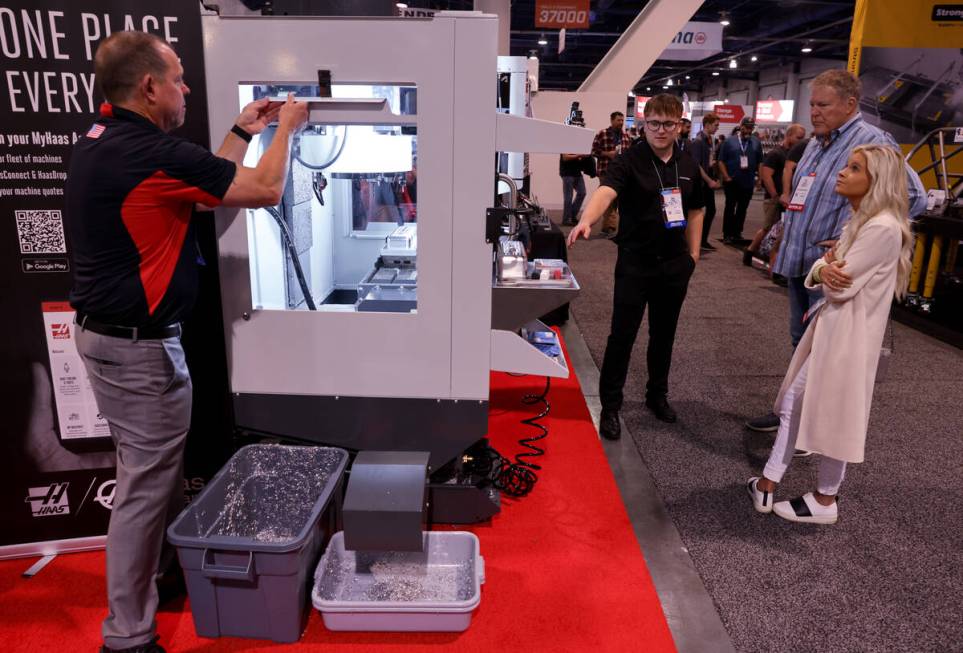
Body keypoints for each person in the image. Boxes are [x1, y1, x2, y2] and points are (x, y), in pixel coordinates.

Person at [65, 31, 308, 653]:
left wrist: (244, 129)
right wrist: (289, 130)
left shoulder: (105, 143)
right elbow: (263, 190)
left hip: (109, 340)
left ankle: (168, 574)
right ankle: (127, 635)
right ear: (148, 86)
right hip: (138, 349)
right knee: (144, 488)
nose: (185, 88)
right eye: (177, 78)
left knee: (155, 471)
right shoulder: (147, 152)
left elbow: (205, 182)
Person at [745, 69, 925, 433]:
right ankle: (794, 416)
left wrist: (855, 233)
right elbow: (802, 198)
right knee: (802, 344)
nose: (814, 112)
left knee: (826, 353)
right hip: (802, 264)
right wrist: (784, 240)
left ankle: (808, 425)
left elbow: (914, 197)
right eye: (812, 104)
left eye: (823, 105)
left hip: (838, 272)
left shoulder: (872, 142)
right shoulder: (815, 143)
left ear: (850, 104)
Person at [747, 145, 914, 524]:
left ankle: (813, 496)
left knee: (819, 408)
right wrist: (825, 268)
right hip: (839, 329)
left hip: (847, 334)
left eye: (855, 168)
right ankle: (785, 487)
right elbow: (823, 273)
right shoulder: (865, 221)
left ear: (876, 181)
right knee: (816, 407)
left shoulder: (881, 228)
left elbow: (839, 285)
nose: (843, 172)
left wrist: (825, 269)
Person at [567, 94, 705, 437]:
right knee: (622, 336)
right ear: (643, 124)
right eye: (654, 123)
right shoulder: (629, 160)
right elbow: (606, 192)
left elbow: (698, 208)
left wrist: (694, 254)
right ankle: (610, 406)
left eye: (668, 124)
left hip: (674, 266)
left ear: (679, 125)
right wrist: (587, 219)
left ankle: (657, 396)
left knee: (664, 335)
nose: (660, 130)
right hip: (635, 263)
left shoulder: (687, 164)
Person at [744, 123, 806, 265]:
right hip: (774, 199)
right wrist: (775, 196)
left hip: (787, 199)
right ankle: (750, 251)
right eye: (798, 137)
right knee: (768, 228)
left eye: (803, 138)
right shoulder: (776, 153)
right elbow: (766, 175)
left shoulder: (795, 154)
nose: (801, 141)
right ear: (789, 135)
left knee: (780, 231)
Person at [718, 116, 763, 244]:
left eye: (751, 128)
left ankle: (737, 232)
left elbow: (760, 162)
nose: (749, 130)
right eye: (747, 127)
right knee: (730, 207)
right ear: (741, 126)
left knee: (743, 208)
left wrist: (760, 178)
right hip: (732, 181)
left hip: (748, 181)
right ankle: (727, 234)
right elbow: (721, 161)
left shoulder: (756, 142)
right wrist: (726, 176)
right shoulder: (729, 142)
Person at [591, 111, 633, 238]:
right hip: (606, 171)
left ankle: (609, 228)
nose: (621, 122)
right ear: (611, 120)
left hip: (622, 173)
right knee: (609, 200)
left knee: (618, 200)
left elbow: (629, 154)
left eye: (622, 120)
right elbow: (593, 151)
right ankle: (609, 228)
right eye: (618, 120)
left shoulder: (626, 136)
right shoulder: (602, 134)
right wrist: (607, 154)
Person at [689, 112, 722, 250]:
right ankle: (696, 240)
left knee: (710, 210)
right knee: (697, 212)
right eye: (716, 125)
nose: (717, 128)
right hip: (701, 183)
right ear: (707, 125)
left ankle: (702, 239)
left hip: (707, 182)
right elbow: (697, 165)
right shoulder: (698, 141)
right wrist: (709, 181)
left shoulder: (710, 140)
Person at [559, 152, 587, 226]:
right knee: (568, 197)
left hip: (577, 172)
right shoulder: (566, 144)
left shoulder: (578, 146)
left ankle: (571, 216)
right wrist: (579, 155)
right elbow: (565, 157)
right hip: (567, 172)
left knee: (582, 192)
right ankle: (566, 219)